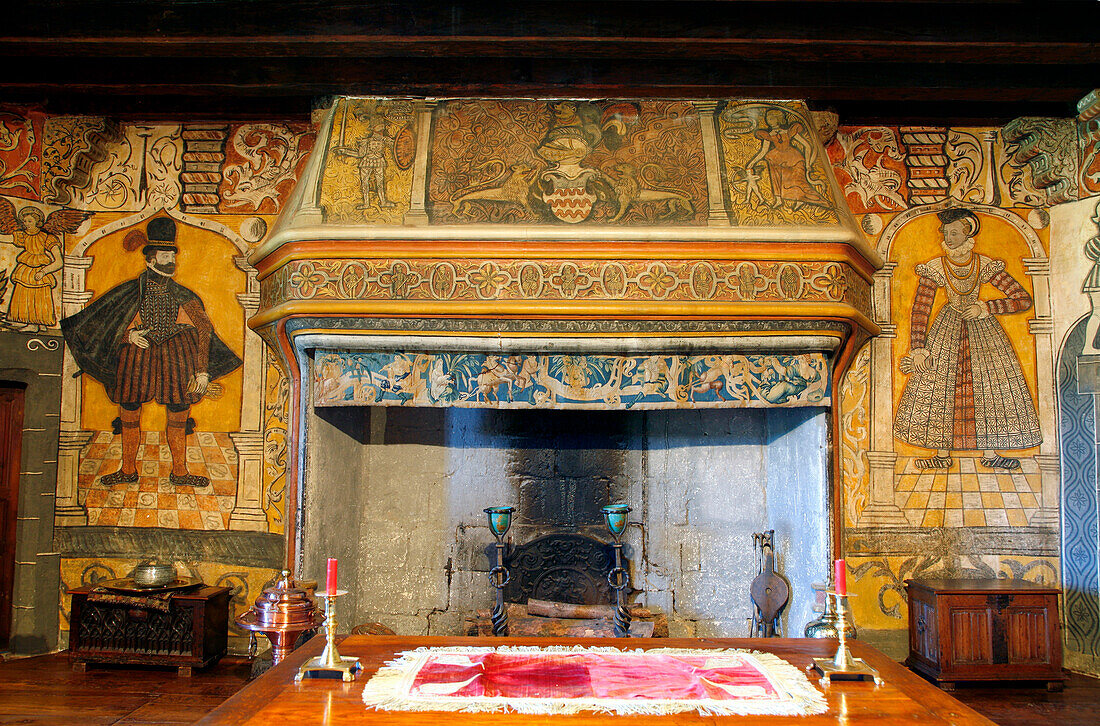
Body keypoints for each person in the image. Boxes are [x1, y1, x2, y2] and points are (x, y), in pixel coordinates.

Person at [61, 217, 241, 487]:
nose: (170, 261)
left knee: (179, 413)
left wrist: (203, 372)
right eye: (164, 256)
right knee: (129, 411)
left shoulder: (184, 294)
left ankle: (180, 472)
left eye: (172, 255)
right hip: (137, 359)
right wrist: (128, 335)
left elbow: (205, 330)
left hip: (177, 358)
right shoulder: (129, 292)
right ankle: (128, 469)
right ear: (150, 260)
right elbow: (99, 325)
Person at [893, 208, 1042, 470]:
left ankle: (990, 453)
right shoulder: (937, 267)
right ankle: (941, 455)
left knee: (989, 387)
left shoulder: (984, 264)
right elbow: (920, 308)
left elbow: (1022, 299)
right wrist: (918, 348)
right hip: (946, 331)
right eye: (945, 233)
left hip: (983, 331)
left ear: (967, 233)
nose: (948, 238)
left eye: (954, 232)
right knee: (941, 388)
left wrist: (987, 307)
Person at [0, 200, 91, 331]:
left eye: (29, 221)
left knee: (37, 297)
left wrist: (44, 271)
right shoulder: (23, 236)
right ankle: (27, 321)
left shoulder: (47, 238)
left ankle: (34, 324)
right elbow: (7, 238)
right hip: (25, 270)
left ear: (38, 222)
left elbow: (59, 261)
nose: (26, 224)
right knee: (22, 294)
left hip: (39, 272)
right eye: (24, 221)